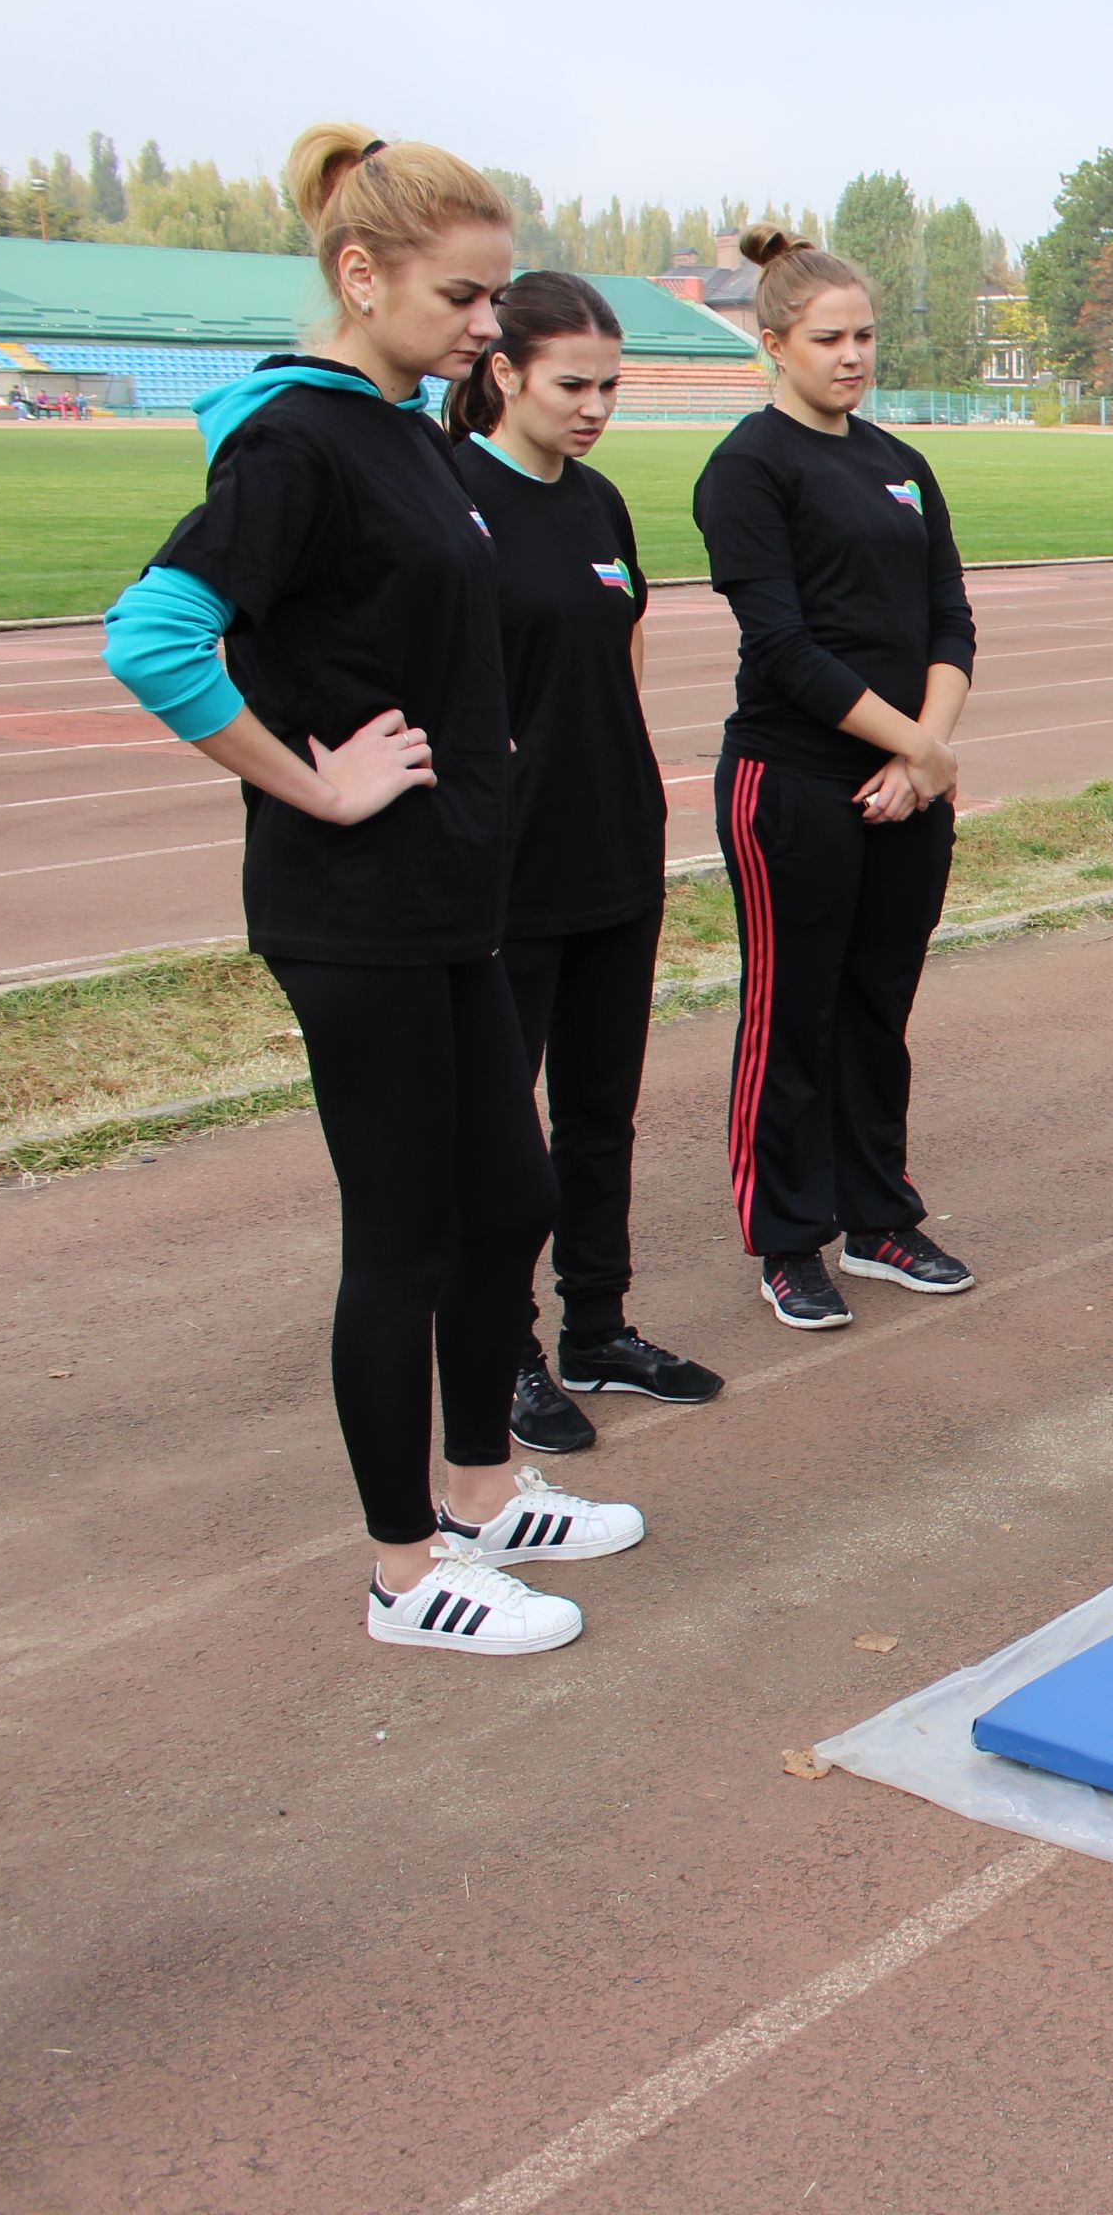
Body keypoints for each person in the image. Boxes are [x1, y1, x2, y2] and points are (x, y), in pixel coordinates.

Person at [98, 123, 642, 1656]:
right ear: (362, 274)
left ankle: (480, 1489)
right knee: (404, 1233)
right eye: (468, 298)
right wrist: (313, 779)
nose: (491, 324)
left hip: (452, 894)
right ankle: (404, 1572)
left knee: (510, 1195)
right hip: (357, 907)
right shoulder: (295, 441)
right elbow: (150, 639)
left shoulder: (406, 429)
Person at [445, 270, 724, 1447]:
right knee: (498, 1127)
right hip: (506, 866)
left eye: (612, 385)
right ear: (502, 373)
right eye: (574, 383)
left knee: (601, 1108)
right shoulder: (449, 495)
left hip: (615, 844)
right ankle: (498, 1351)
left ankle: (596, 1327)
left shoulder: (599, 502)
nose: (596, 404)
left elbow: (622, 650)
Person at [694, 226, 979, 1331]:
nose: (853, 356)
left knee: (876, 1006)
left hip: (908, 785)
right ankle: (786, 1236)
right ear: (774, 345)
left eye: (864, 335)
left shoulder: (902, 466)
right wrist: (910, 745)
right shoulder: (749, 468)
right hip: (795, 784)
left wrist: (925, 751)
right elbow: (782, 648)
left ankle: (878, 1215)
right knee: (792, 1009)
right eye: (829, 339)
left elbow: (949, 617)